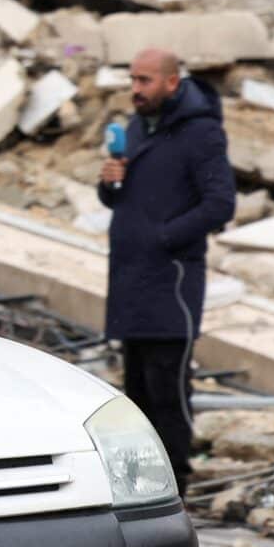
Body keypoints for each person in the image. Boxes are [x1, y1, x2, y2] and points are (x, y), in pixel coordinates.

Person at [98, 47, 236, 493]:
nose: (135, 90)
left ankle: (177, 480)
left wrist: (164, 237)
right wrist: (109, 181)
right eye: (133, 80)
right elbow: (122, 200)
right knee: (135, 390)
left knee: (167, 389)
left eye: (145, 81)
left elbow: (220, 204)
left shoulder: (202, 134)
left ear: (172, 82)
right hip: (132, 280)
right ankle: (142, 482)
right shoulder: (139, 127)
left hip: (171, 283)